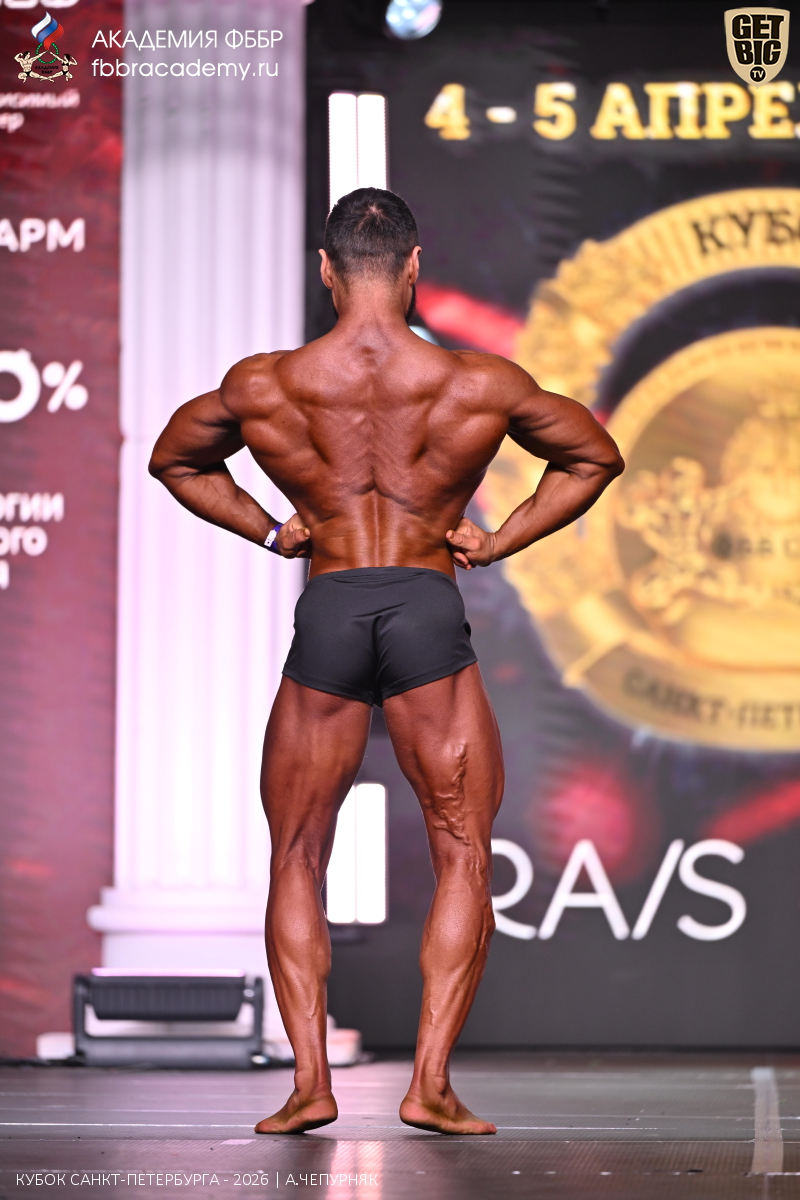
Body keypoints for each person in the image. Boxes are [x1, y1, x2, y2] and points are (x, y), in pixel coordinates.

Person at [149, 188, 624, 1136]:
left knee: (296, 852)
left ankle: (310, 1085)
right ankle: (430, 1085)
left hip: (330, 603)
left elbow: (175, 459)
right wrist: (499, 539)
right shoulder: (477, 382)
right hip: (424, 606)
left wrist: (272, 529)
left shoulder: (266, 384)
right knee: (462, 849)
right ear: (414, 269)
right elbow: (593, 457)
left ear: (327, 271)